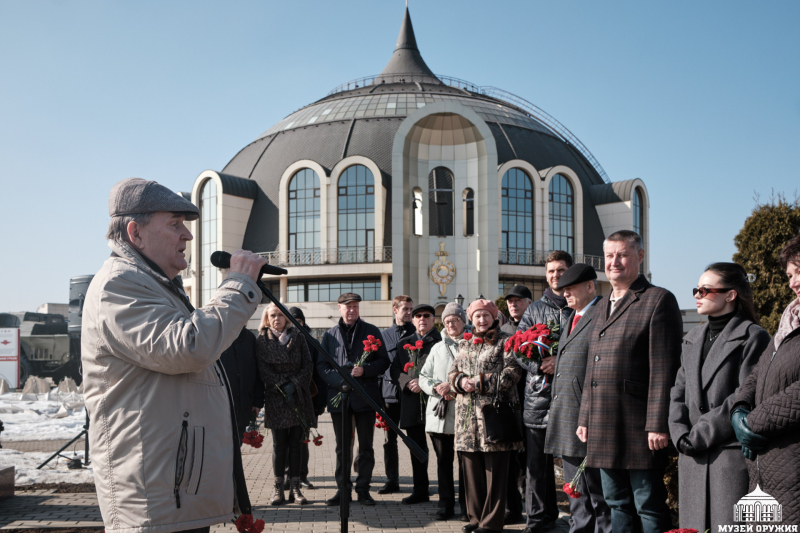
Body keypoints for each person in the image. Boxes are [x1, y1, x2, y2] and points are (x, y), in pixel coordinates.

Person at [82, 178, 267, 533]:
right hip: (154, 501)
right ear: (135, 232)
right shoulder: (118, 285)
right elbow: (188, 348)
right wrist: (239, 285)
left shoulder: (153, 285)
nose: (188, 236)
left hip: (173, 489)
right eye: (174, 224)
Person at [577, 230, 682, 533]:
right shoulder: (600, 306)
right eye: (609, 256)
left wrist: (658, 423)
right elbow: (591, 367)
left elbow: (664, 368)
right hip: (603, 423)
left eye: (622, 254)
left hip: (640, 426)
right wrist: (585, 417)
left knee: (647, 504)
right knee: (615, 502)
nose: (615, 262)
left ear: (639, 256)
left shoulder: (658, 300)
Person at [668, 263, 769, 531]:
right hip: (691, 454)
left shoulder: (752, 336)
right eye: (696, 290)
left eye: (705, 290)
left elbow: (746, 393)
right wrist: (679, 435)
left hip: (727, 454)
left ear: (731, 295)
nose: (697, 296)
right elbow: (678, 391)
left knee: (726, 524)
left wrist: (700, 433)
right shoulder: (692, 338)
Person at [731, 235, 800, 524]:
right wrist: (739, 409)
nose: (793, 282)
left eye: (799, 272)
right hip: (766, 468)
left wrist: (752, 424)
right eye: (790, 274)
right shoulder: (789, 321)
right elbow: (758, 373)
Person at [544, 264, 611, 533]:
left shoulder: (603, 315)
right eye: (563, 290)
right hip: (569, 417)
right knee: (577, 495)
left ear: (590, 286)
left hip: (589, 420)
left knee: (598, 496)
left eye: (571, 289)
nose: (566, 294)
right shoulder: (572, 317)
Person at [449, 299, 524, 533]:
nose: (482, 320)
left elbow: (513, 373)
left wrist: (480, 382)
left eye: (486, 316)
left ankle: (491, 523)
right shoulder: (464, 343)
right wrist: (460, 381)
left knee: (496, 475)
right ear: (471, 319)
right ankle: (475, 518)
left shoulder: (505, 342)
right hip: (466, 420)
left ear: (494, 318)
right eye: (477, 316)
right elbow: (453, 371)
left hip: (495, 418)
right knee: (471, 473)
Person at [318, 293, 390, 506]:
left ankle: (363, 489)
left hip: (365, 398)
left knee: (366, 446)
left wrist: (365, 370)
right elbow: (322, 366)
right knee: (342, 447)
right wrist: (340, 378)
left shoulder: (372, 331)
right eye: (347, 307)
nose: (352, 310)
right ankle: (343, 490)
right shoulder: (329, 335)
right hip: (339, 399)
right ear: (339, 308)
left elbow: (383, 361)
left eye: (355, 306)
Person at [519, 251, 573, 531]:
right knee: (536, 468)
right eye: (551, 270)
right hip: (538, 398)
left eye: (561, 269)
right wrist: (540, 365)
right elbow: (517, 350)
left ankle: (580, 518)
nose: (555, 275)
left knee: (575, 467)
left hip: (572, 400)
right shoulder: (534, 310)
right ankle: (539, 519)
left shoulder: (583, 307)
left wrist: (559, 362)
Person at [256, 303, 314, 506]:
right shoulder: (262, 339)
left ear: (287, 317)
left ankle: (296, 488)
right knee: (279, 445)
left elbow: (308, 365)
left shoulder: (298, 336)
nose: (277, 318)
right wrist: (282, 385)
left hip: (298, 395)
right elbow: (262, 370)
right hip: (276, 397)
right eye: (273, 315)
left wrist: (294, 384)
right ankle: (278, 489)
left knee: (296, 444)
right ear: (267, 318)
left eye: (281, 314)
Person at [419, 302, 467, 521]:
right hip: (439, 413)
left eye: (455, 320)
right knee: (443, 461)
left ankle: (468, 506)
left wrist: (453, 387)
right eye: (447, 321)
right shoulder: (437, 347)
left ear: (463, 322)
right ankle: (445, 504)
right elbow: (423, 376)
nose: (451, 324)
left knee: (466, 462)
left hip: (464, 413)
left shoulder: (472, 344)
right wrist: (436, 387)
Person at [391, 304, 442, 504]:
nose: (422, 319)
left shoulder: (440, 341)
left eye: (426, 315)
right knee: (417, 450)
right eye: (418, 316)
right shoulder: (404, 343)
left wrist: (424, 384)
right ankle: (420, 490)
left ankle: (446, 493)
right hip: (412, 402)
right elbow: (395, 369)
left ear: (433, 319)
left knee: (442, 452)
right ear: (412, 320)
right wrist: (406, 382)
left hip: (435, 402)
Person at [279, 306, 326, 490]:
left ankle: (301, 476)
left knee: (302, 441)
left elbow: (320, 374)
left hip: (307, 400)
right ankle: (284, 477)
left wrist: (320, 403)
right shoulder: (280, 341)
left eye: (299, 321)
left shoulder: (313, 343)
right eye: (293, 321)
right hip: (285, 400)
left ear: (303, 322)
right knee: (283, 441)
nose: (296, 325)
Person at [499, 284, 532, 525]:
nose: (513, 304)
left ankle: (535, 509)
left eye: (518, 300)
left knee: (532, 461)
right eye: (510, 300)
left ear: (529, 302)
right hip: (510, 404)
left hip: (533, 401)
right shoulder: (502, 331)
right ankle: (514, 508)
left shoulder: (537, 326)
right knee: (511, 460)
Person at [379, 295, 415, 494]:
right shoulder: (384, 336)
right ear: (395, 310)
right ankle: (392, 480)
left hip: (412, 394)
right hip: (390, 395)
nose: (409, 312)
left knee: (415, 439)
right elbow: (381, 367)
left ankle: (420, 482)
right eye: (405, 309)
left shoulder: (418, 333)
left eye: (411, 309)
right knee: (389, 440)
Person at [218, 327, 265, 444]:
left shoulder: (249, 338)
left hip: (242, 408)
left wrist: (257, 402)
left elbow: (257, 372)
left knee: (236, 450)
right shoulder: (216, 335)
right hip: (219, 409)